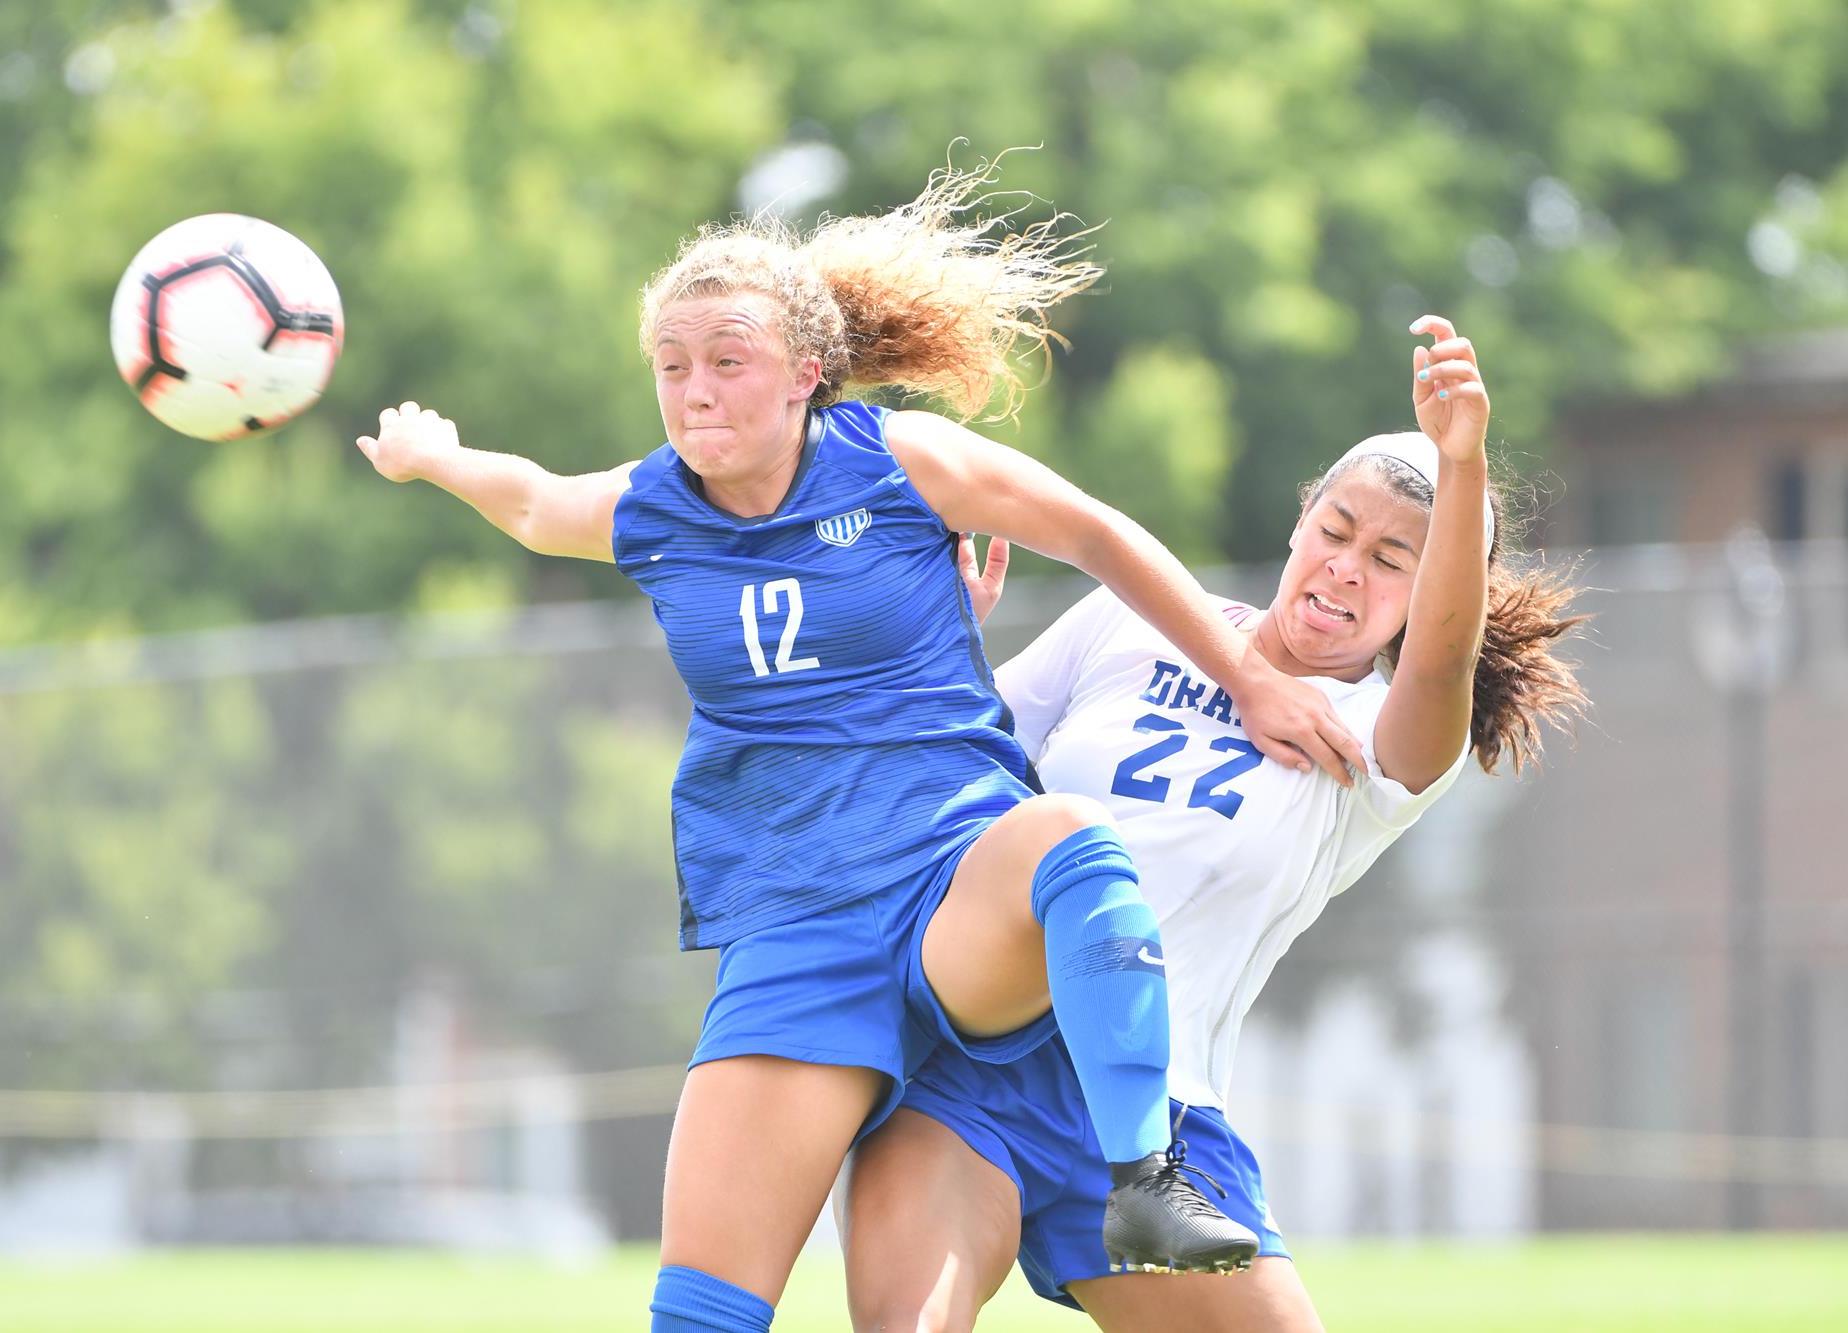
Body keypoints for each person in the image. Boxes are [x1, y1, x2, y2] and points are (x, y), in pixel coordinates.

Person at [354, 161, 1375, 1332]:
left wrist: (1242, 672)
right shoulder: (652, 507)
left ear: (801, 375)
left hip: (948, 887)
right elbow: (534, 502)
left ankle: (1142, 1181)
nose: (694, 392)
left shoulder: (897, 462)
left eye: (725, 361)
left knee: (1074, 848)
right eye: (671, 366)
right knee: (698, 1316)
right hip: (796, 925)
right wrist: (433, 458)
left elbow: (1093, 531)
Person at [840, 317, 1590, 1332]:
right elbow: (944, 771)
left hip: (1161, 1122)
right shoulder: (1133, 620)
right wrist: (938, 650)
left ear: (1426, 598)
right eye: (1334, 530)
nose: (1344, 568)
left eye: (1390, 560)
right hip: (976, 1066)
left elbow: (1447, 659)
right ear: (1296, 524)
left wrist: (1461, 466)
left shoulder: (1380, 733)